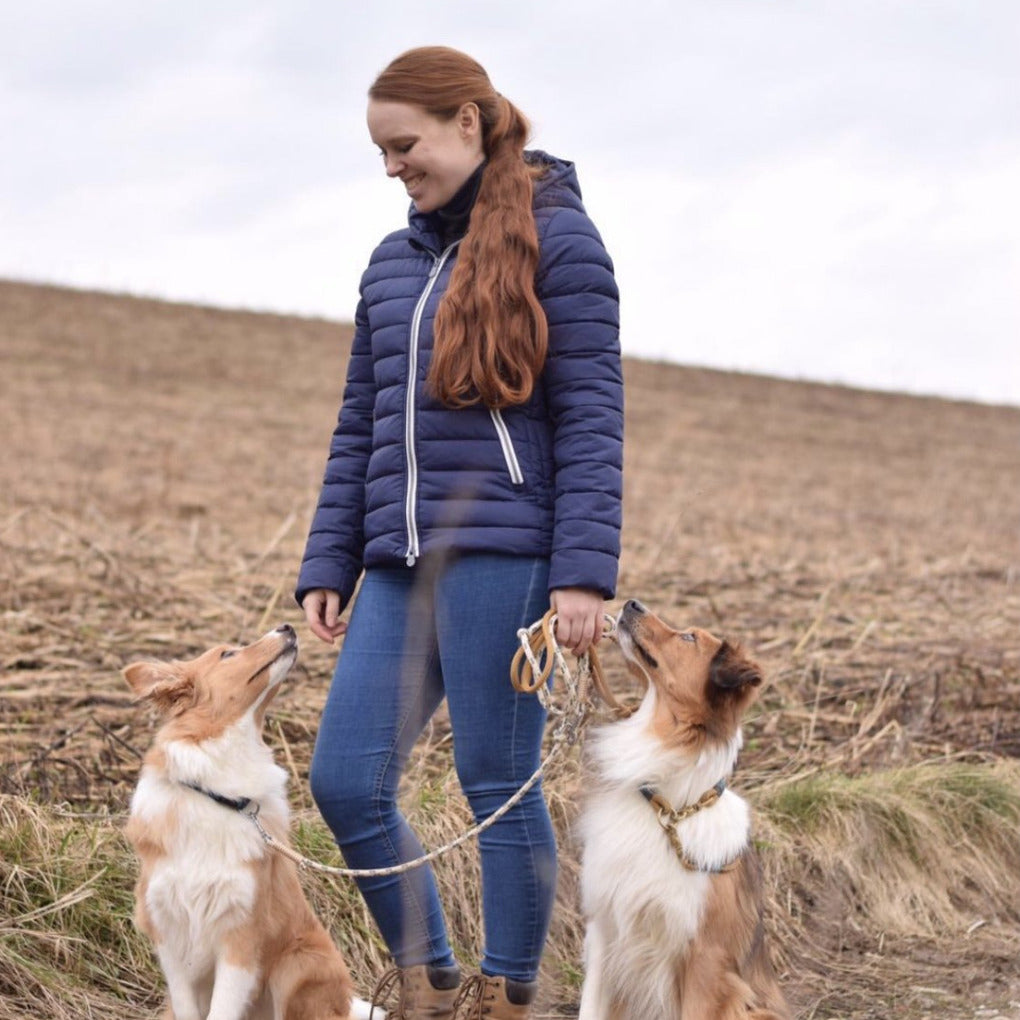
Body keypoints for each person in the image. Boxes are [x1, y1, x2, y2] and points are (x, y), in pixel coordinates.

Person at [296, 45, 623, 1020]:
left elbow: (592, 417)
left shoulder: (561, 241)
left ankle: (509, 998)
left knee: (496, 785)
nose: (392, 167)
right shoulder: (391, 263)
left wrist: (583, 575)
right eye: (381, 152)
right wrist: (329, 558)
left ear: (467, 124)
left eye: (405, 145)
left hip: (505, 557)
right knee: (345, 782)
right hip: (398, 563)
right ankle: (431, 982)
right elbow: (360, 423)